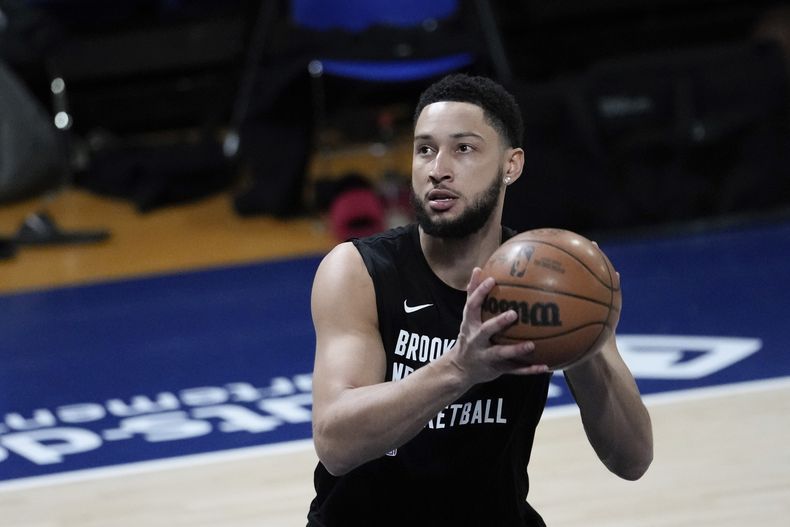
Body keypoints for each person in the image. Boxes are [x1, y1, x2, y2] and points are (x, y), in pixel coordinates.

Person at [307, 74, 653, 526]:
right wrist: (460, 368)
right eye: (425, 149)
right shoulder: (360, 271)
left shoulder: (553, 277)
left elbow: (633, 461)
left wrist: (587, 346)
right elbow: (335, 444)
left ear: (511, 165)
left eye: (463, 148)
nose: (438, 169)